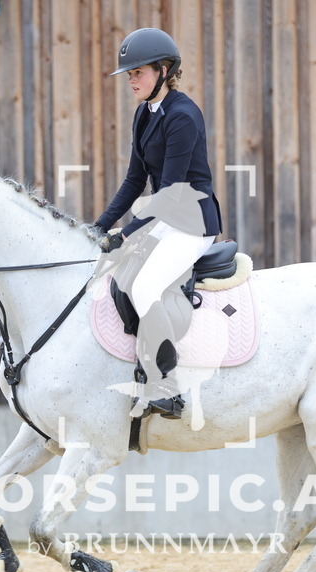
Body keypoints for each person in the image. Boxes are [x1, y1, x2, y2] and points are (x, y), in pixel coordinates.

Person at [93, 27, 222, 420]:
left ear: (164, 71)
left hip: (192, 221)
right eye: (129, 74)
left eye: (139, 72)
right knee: (119, 277)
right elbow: (135, 181)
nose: (131, 80)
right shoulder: (144, 114)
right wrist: (100, 225)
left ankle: (167, 386)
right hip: (164, 217)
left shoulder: (184, 116)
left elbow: (169, 191)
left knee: (147, 283)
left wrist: (127, 232)